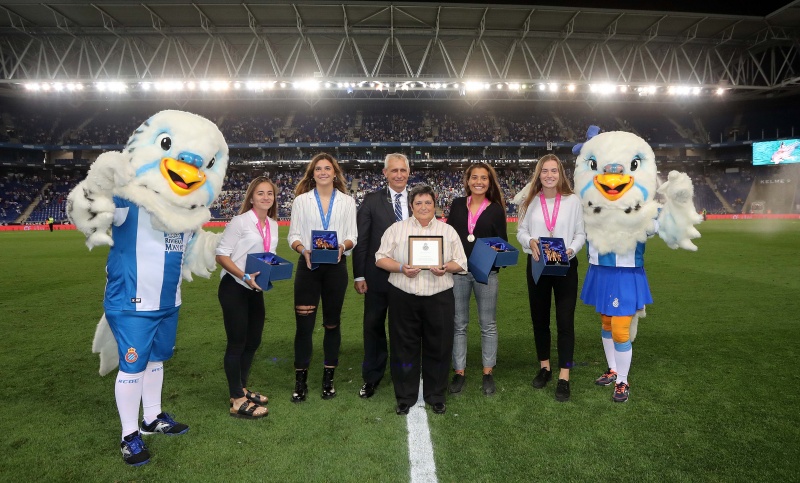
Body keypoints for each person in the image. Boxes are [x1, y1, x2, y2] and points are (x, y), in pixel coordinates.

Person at [375, 184, 467, 415]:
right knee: (403, 347)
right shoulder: (396, 229)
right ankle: (405, 396)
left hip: (439, 296)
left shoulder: (448, 231)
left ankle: (436, 395)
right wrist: (400, 268)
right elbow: (380, 258)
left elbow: (461, 262)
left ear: (435, 205)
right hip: (403, 295)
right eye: (418, 203)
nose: (423, 207)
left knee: (439, 346)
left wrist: (445, 267)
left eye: (428, 202)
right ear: (411, 206)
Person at [287, 153, 357, 402]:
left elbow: (353, 236)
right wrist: (303, 250)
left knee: (332, 324)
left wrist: (341, 247)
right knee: (304, 326)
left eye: (328, 168)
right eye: (318, 169)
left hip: (336, 267)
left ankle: (329, 379)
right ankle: (300, 380)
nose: (323, 172)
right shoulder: (301, 201)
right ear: (313, 173)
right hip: (309, 267)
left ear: (335, 173)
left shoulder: (347, 202)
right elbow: (293, 235)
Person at [517, 154, 585, 402]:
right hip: (538, 263)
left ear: (560, 174)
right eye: (544, 171)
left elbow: (580, 233)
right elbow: (521, 231)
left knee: (565, 321)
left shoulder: (572, 200)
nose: (549, 175)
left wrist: (571, 250)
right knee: (540, 319)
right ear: (539, 174)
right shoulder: (530, 200)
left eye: (554, 171)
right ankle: (544, 367)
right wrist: (530, 241)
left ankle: (564, 375)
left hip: (565, 264)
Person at [215, 177, 279, 419]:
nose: (265, 197)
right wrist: (243, 275)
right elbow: (221, 255)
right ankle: (237, 400)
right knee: (237, 343)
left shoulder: (272, 224)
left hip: (255, 288)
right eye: (260, 193)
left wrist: (274, 270)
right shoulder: (240, 221)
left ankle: (240, 388)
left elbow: (268, 256)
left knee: (253, 341)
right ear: (251, 197)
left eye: (269, 193)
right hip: (234, 286)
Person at [445, 163, 508, 396]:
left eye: (483, 178)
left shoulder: (496, 210)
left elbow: (502, 244)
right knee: (458, 324)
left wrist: (491, 261)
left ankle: (488, 371)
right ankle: (459, 371)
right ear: (468, 180)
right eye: (474, 177)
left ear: (489, 182)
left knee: (487, 324)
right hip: (459, 272)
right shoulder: (457, 204)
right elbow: (449, 237)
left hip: (486, 274)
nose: (478, 182)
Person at [352, 153, 410, 399]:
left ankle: (406, 373)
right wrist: (359, 275)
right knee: (373, 327)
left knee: (406, 329)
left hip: (410, 276)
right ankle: (372, 376)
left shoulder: (418, 199)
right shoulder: (372, 200)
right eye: (393, 170)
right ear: (385, 173)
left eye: (403, 170)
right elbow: (362, 240)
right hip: (377, 276)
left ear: (409, 172)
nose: (399, 175)